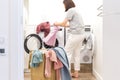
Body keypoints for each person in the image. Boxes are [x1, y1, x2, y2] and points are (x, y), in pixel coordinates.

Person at [54, 0, 85, 78]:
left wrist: (56, 23)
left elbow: (63, 23)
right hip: (81, 35)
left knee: (67, 52)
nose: (64, 6)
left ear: (67, 4)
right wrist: (63, 25)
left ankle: (67, 72)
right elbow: (72, 25)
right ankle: (76, 73)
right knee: (77, 54)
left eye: (64, 5)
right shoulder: (76, 11)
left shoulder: (70, 11)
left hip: (75, 35)